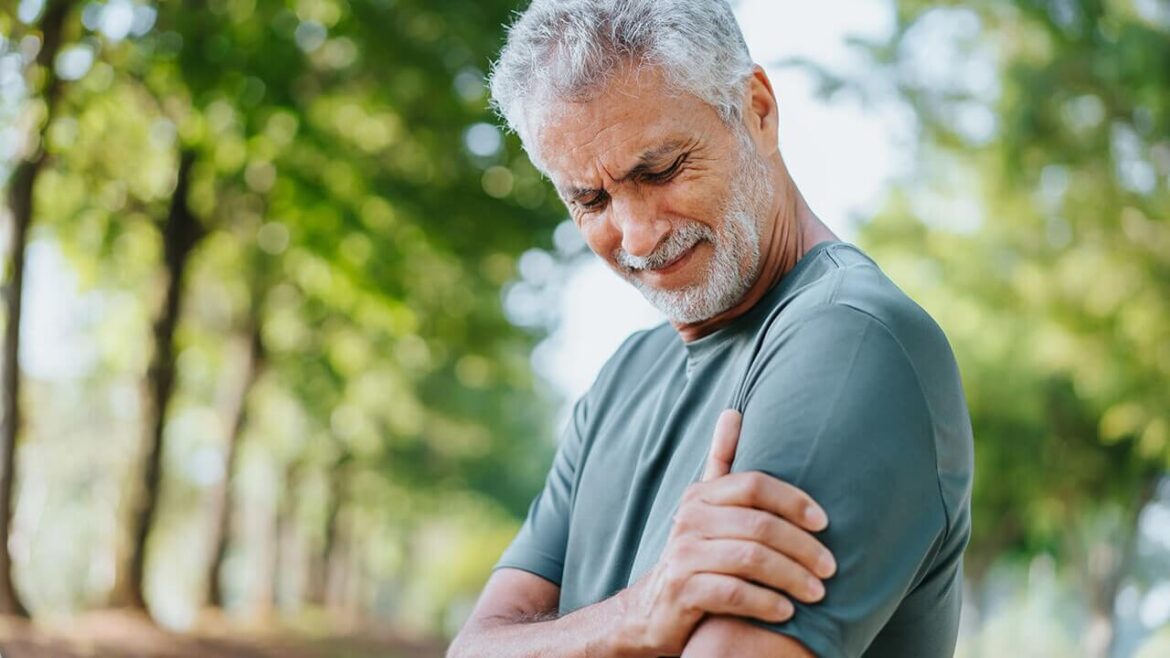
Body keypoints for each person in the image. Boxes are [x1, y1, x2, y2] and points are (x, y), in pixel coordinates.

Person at [448, 1, 973, 656]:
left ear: (757, 110)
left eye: (662, 170)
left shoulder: (853, 342)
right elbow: (474, 647)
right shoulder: (625, 375)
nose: (638, 234)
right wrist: (636, 618)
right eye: (591, 199)